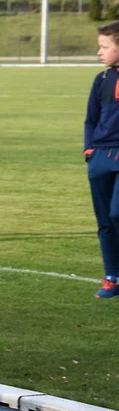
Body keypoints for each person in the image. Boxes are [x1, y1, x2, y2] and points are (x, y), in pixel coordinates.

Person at [84, 20, 119, 300]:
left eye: (105, 47)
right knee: (105, 220)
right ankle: (112, 278)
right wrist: (90, 150)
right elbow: (91, 119)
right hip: (100, 157)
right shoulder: (102, 80)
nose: (100, 52)